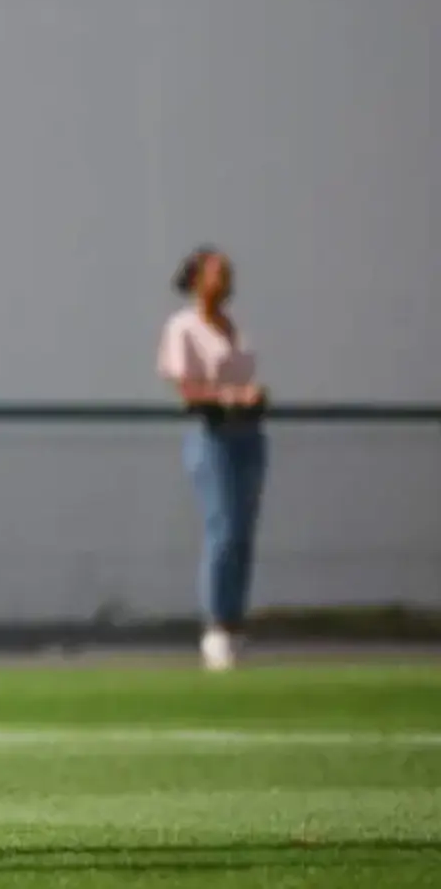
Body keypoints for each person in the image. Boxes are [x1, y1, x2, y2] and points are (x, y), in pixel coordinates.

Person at [158, 246, 268, 672]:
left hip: (249, 435)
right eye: (218, 272)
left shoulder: (233, 327)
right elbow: (188, 389)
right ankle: (216, 626)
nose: (226, 279)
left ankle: (237, 623)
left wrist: (254, 397)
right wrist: (227, 397)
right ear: (199, 279)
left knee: (243, 533)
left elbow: (244, 375)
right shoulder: (183, 327)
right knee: (221, 529)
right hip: (213, 436)